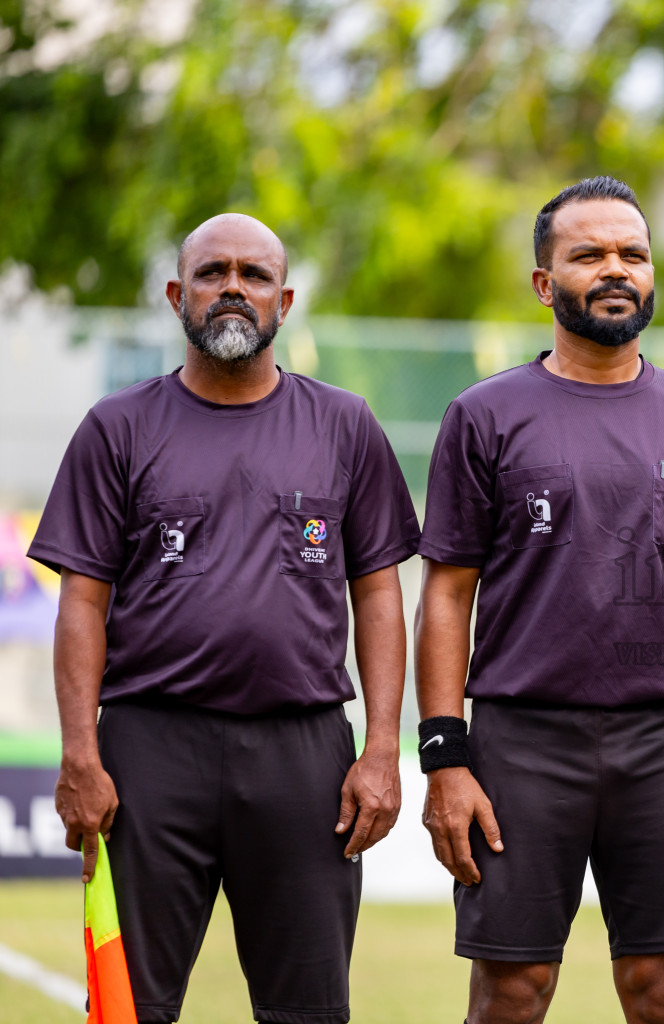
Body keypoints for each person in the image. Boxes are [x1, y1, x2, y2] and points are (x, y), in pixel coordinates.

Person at [30, 213, 421, 1023]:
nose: (233, 287)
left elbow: (379, 593)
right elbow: (83, 601)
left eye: (253, 274)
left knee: (308, 1009)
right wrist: (79, 752)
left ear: (284, 298)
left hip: (304, 754)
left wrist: (383, 748)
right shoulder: (118, 427)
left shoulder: (345, 426)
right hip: (148, 749)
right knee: (130, 1010)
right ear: (178, 294)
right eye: (212, 273)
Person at [414, 176, 664, 1024]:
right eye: (590, 254)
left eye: (633, 254)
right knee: (513, 991)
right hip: (520, 739)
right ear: (545, 284)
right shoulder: (484, 415)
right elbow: (446, 596)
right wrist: (444, 757)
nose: (616, 269)